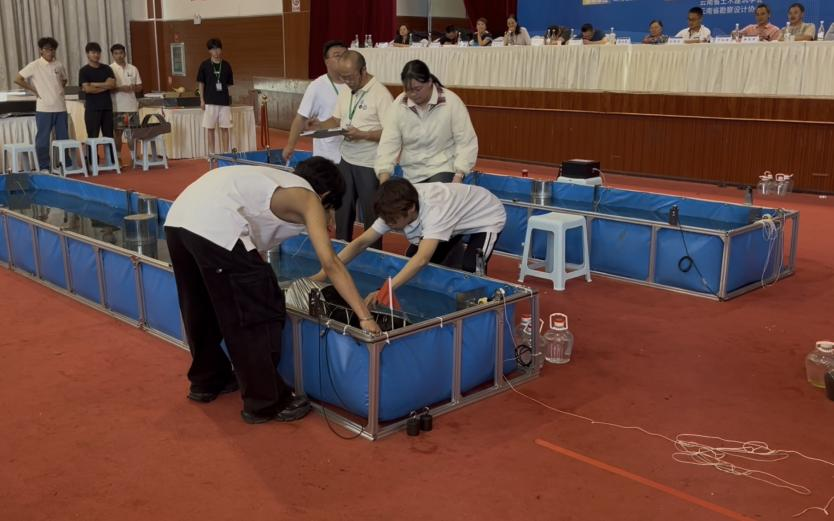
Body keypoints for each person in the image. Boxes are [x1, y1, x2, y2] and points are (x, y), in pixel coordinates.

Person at [164, 157, 382, 424]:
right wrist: (364, 316)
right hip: (217, 227)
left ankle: (207, 379)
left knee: (200, 306)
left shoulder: (275, 179)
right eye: (331, 209)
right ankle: (265, 401)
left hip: (178, 220)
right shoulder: (309, 198)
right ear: (325, 196)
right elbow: (331, 262)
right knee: (258, 311)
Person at [313, 178, 506, 306]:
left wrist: (384, 291)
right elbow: (361, 243)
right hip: (455, 217)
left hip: (485, 216)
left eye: (393, 222)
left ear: (411, 209)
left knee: (470, 269)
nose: (389, 225)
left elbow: (422, 260)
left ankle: (480, 309)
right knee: (410, 257)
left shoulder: (435, 211)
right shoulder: (393, 208)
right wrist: (323, 273)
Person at [316, 51, 393, 248]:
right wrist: (316, 126)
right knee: (342, 211)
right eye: (343, 77)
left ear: (363, 70)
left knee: (371, 215)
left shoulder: (381, 94)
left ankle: (373, 256)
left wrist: (363, 135)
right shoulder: (345, 90)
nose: (347, 82)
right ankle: (341, 251)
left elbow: (392, 133)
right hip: (346, 159)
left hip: (369, 163)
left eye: (350, 77)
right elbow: (336, 120)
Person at [375, 60, 477, 185]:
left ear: (429, 82)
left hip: (443, 167)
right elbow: (388, 143)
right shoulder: (399, 105)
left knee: (436, 193)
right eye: (408, 90)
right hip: (411, 172)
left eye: (418, 89)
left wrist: (459, 175)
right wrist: (384, 179)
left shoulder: (451, 101)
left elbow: (466, 141)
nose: (413, 94)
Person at [283, 40, 347, 165]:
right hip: (328, 156)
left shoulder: (355, 84)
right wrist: (290, 145)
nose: (342, 59)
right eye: (337, 55)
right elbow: (300, 118)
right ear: (326, 61)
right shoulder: (317, 86)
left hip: (353, 155)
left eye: (345, 55)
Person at [15, 37, 69, 171]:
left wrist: (59, 89)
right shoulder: (35, 65)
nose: (50, 52)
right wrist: (33, 90)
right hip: (44, 108)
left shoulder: (59, 65)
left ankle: (64, 165)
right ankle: (44, 166)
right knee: (43, 140)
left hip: (61, 107)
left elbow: (64, 79)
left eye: (53, 50)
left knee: (64, 138)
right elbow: (18, 79)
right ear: (41, 50)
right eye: (47, 49)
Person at [78, 42, 116, 165]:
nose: (96, 55)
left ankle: (111, 162)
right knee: (92, 136)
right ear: (87, 54)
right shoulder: (84, 71)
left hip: (107, 107)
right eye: (93, 52)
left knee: (109, 136)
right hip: (92, 108)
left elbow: (112, 85)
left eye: (98, 52)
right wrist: (104, 86)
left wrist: (94, 84)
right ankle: (92, 162)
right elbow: (87, 89)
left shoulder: (107, 68)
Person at [196, 38, 234, 157]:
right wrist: (202, 100)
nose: (216, 52)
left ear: (221, 49)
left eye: (218, 49)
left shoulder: (226, 65)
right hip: (210, 101)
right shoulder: (204, 65)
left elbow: (229, 83)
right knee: (210, 128)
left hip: (224, 101)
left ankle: (226, 154)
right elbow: (201, 83)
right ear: (209, 51)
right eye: (213, 49)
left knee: (225, 128)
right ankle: (212, 154)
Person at [109, 43, 142, 167]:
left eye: (121, 53)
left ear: (125, 54)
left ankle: (134, 157)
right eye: (116, 53)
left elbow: (140, 86)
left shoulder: (133, 68)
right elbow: (108, 89)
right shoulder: (109, 69)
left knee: (132, 134)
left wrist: (134, 87)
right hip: (117, 107)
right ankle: (118, 158)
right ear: (112, 55)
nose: (119, 56)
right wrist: (120, 88)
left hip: (132, 106)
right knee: (118, 134)